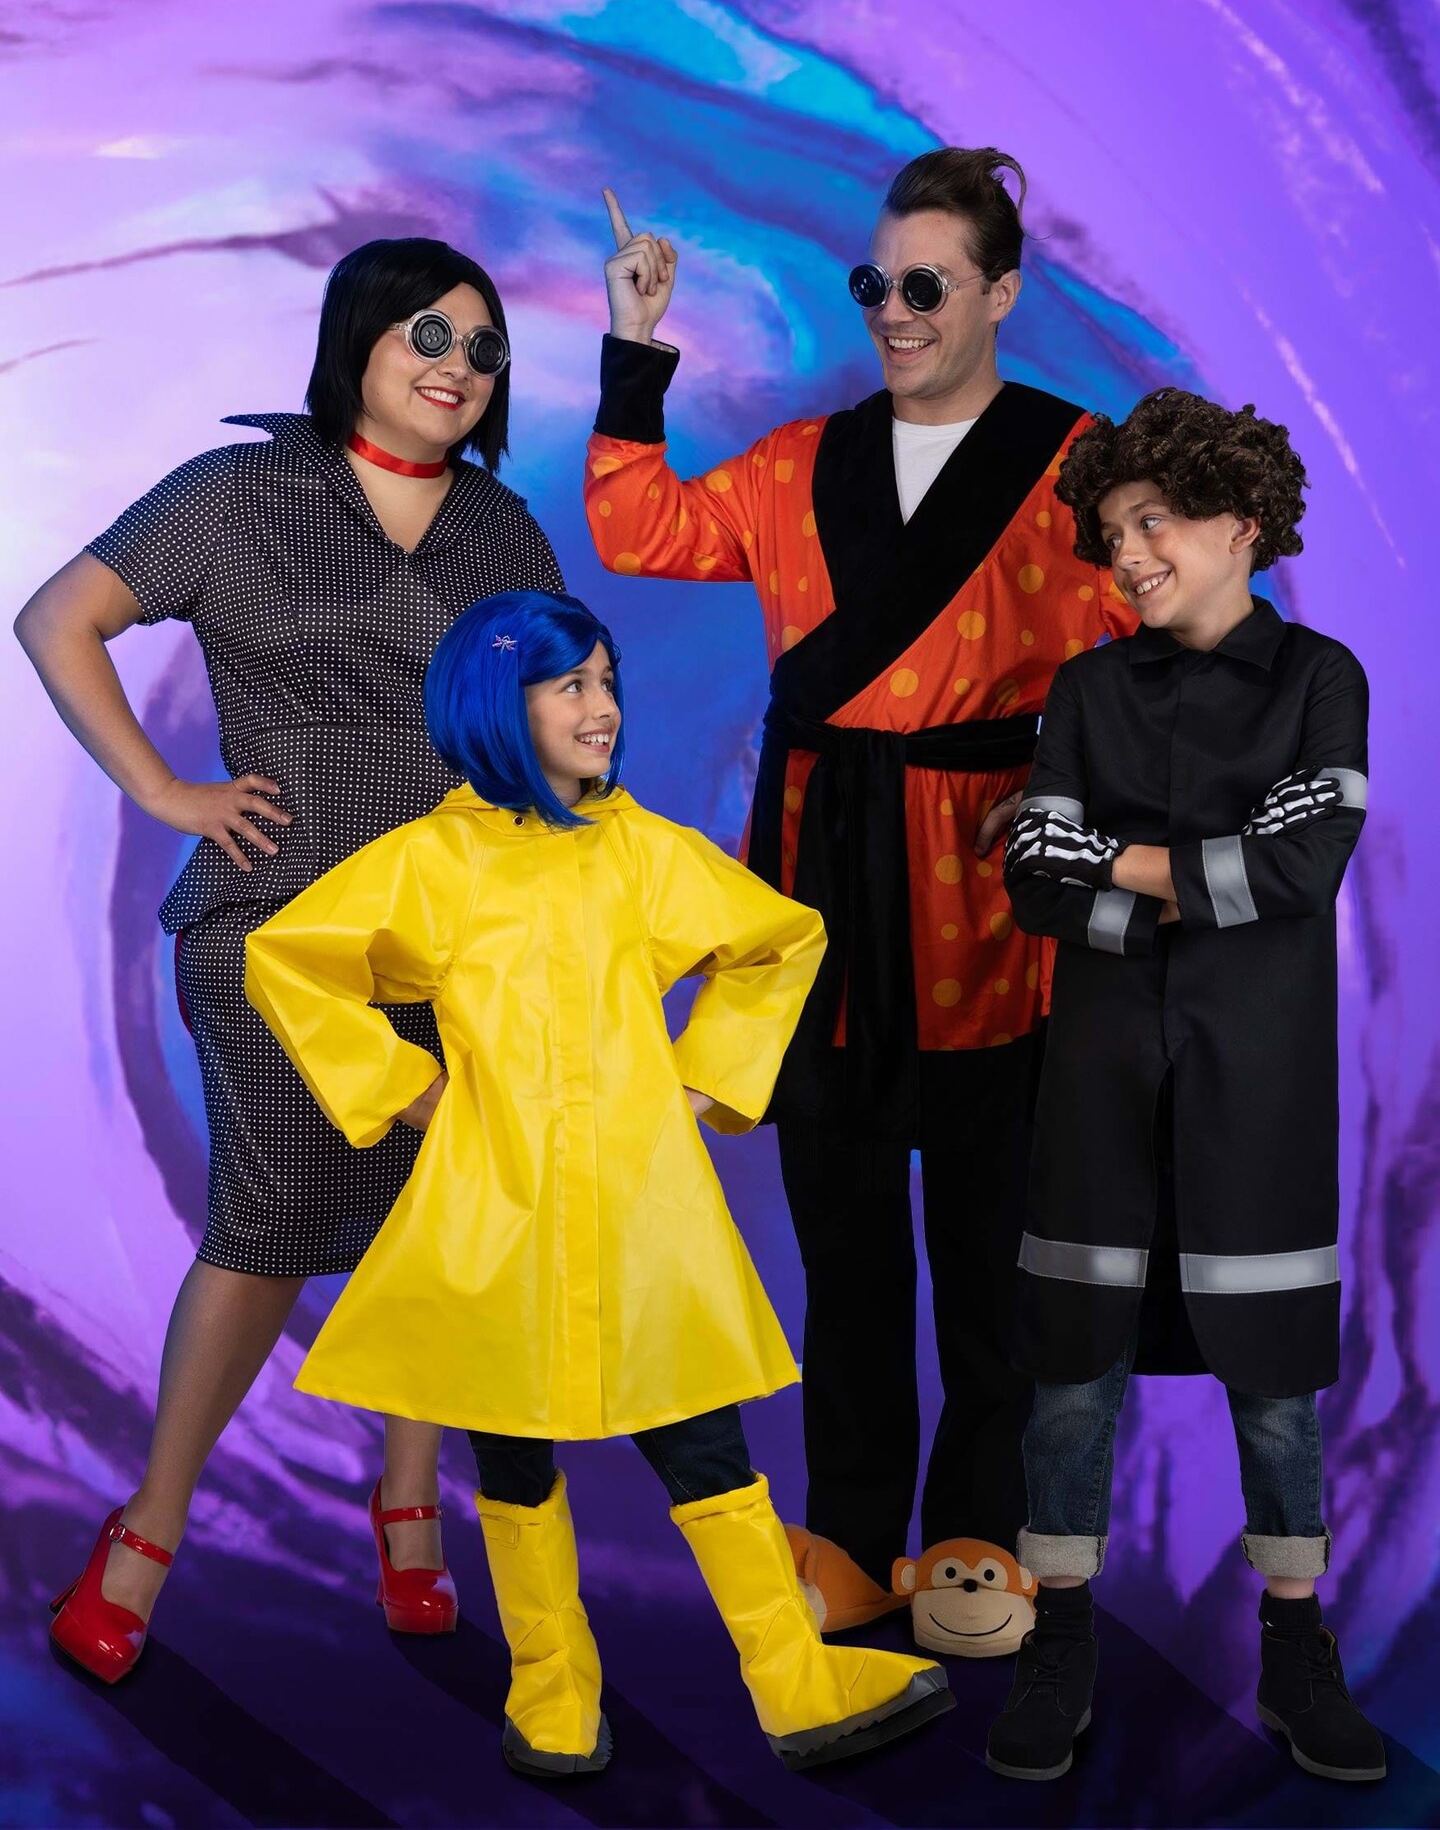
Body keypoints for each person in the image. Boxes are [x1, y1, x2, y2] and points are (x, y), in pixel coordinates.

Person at [243, 588, 953, 1776]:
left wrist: (702, 1079)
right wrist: (412, 1092)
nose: (603, 705)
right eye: (570, 683)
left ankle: (795, 1681)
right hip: (497, 1206)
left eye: (608, 679)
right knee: (512, 1454)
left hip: (639, 1207)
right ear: (496, 704)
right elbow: (288, 958)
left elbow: (782, 939)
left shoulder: (645, 853)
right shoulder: (431, 863)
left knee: (705, 1443)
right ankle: (552, 1693)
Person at [583, 152, 1132, 1643]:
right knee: (845, 1250)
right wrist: (634, 341)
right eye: (875, 283)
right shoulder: (796, 462)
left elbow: (1179, 630)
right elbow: (641, 530)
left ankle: (976, 1538)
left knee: (992, 1245)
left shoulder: (1079, 468)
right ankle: (846, 1534)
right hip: (817, 883)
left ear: (1000, 293)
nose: (894, 310)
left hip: (989, 899)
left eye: (927, 285)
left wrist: (1084, 787)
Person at [18, 239, 564, 1684]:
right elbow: (57, 617)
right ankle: (150, 1526)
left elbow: (560, 710)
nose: (458, 365)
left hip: (461, 930)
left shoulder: (504, 531)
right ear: (357, 340)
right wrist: (163, 788)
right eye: (428, 333)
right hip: (279, 923)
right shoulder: (240, 492)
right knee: (267, 1220)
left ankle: (408, 1496)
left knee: (442, 1221)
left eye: (484, 348)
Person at [987, 389, 1385, 1784]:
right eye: (1112, 533)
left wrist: (1115, 858)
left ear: (1241, 520)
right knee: (1070, 1372)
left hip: (1257, 1073)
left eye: (1152, 522)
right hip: (1098, 1069)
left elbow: (1305, 867)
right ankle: (1059, 1639)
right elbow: (1034, 877)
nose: (1129, 554)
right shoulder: (1089, 689)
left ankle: (1297, 1646)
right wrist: (1203, 880)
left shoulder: (1321, 678)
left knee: (1274, 1383)